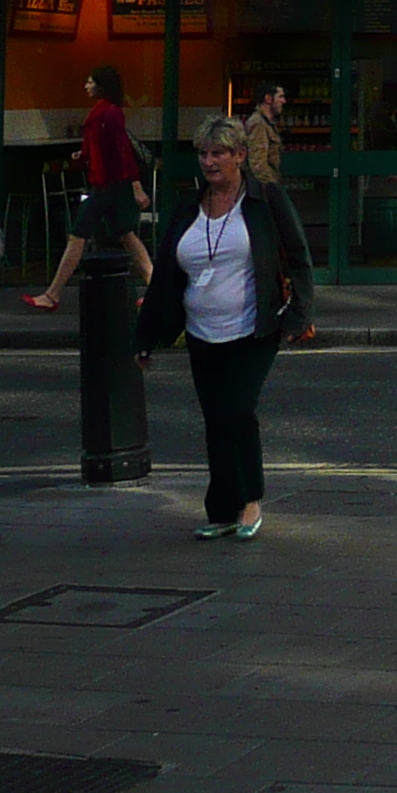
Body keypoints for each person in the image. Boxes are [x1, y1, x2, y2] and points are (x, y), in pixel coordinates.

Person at [137, 114, 316, 540]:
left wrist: (301, 314)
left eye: (218, 153)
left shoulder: (266, 200)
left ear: (239, 156)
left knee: (237, 411)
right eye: (203, 154)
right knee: (215, 419)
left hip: (255, 329)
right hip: (201, 330)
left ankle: (251, 500)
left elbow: (299, 256)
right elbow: (164, 277)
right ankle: (221, 511)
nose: (209, 162)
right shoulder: (187, 209)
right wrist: (144, 336)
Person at [29, 64, 154, 311]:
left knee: (79, 234)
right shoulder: (106, 112)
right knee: (126, 236)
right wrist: (84, 154)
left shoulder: (108, 113)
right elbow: (105, 147)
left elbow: (122, 152)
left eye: (90, 82)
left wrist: (137, 186)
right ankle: (155, 287)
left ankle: (52, 294)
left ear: (101, 85)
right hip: (110, 185)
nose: (86, 86)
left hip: (107, 186)